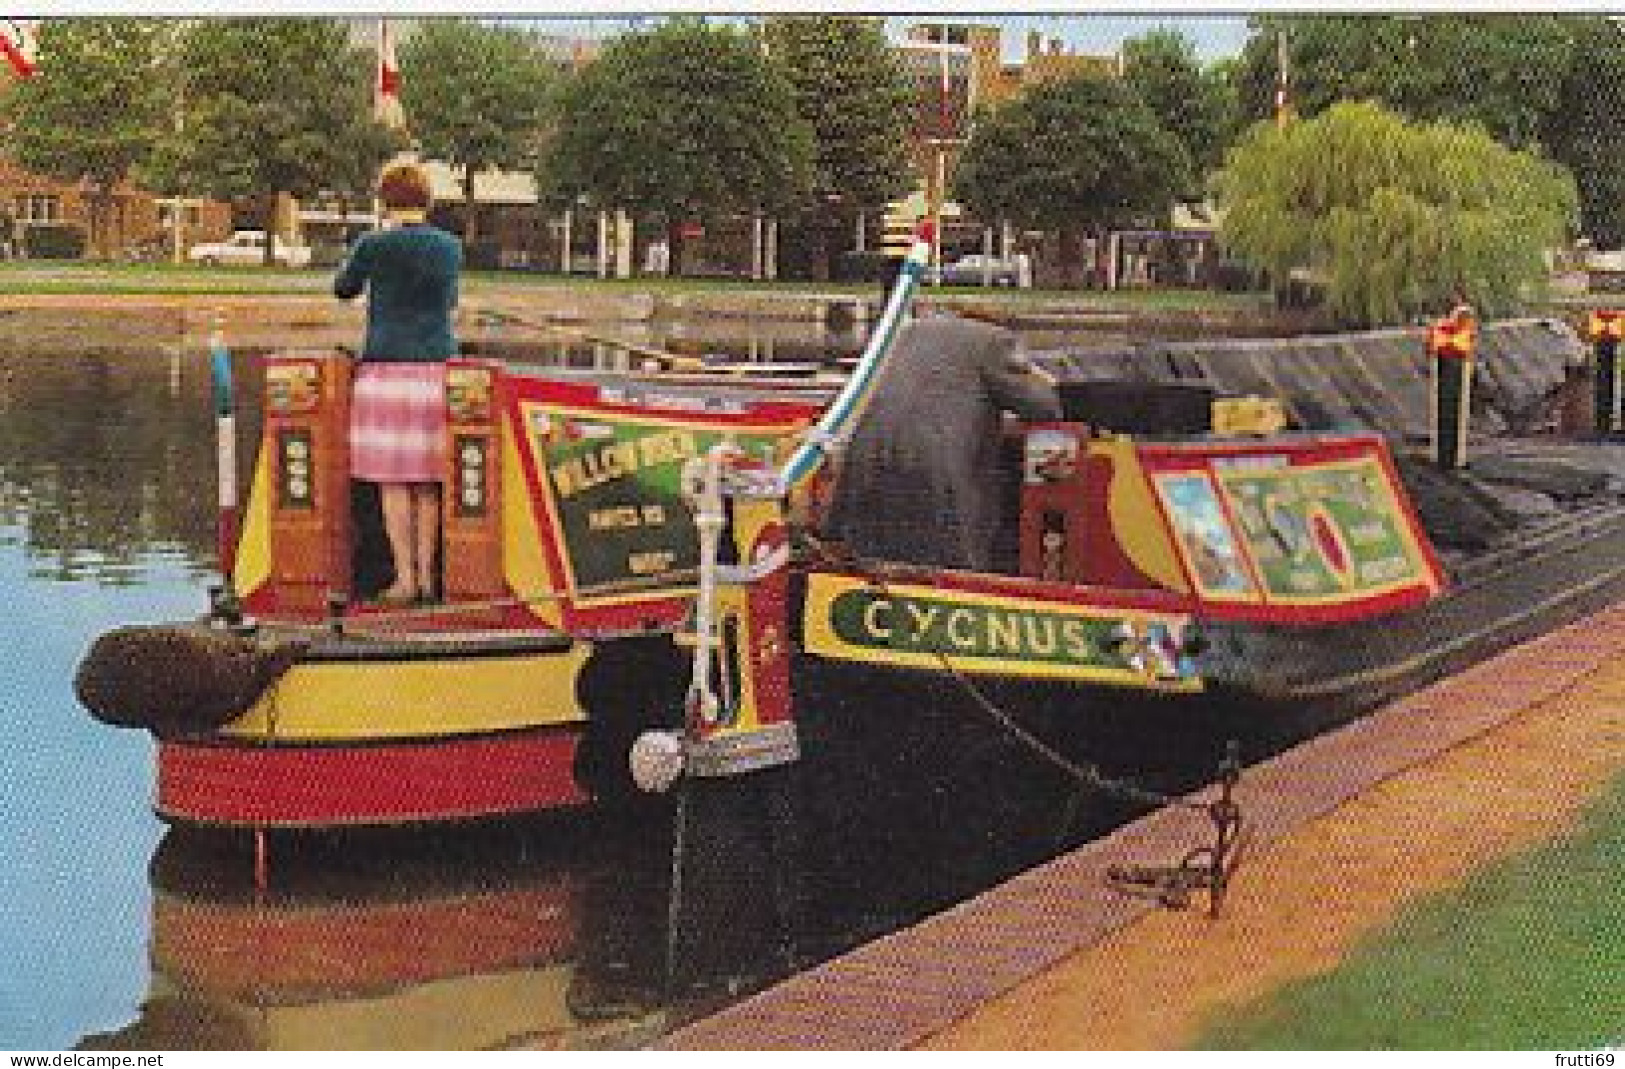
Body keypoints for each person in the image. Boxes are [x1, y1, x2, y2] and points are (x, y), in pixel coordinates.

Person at [824, 308, 1062, 571]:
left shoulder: (912, 331)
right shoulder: (995, 340)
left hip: (867, 453)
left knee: (871, 561)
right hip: (933, 465)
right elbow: (1043, 405)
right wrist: (1047, 383)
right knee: (948, 564)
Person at [334, 161, 462, 605]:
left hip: (386, 370)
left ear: (385, 199)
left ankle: (404, 579)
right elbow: (448, 302)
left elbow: (343, 289)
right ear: (426, 199)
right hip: (435, 371)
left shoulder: (374, 244)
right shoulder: (449, 247)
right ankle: (428, 578)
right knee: (427, 480)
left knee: (393, 482)